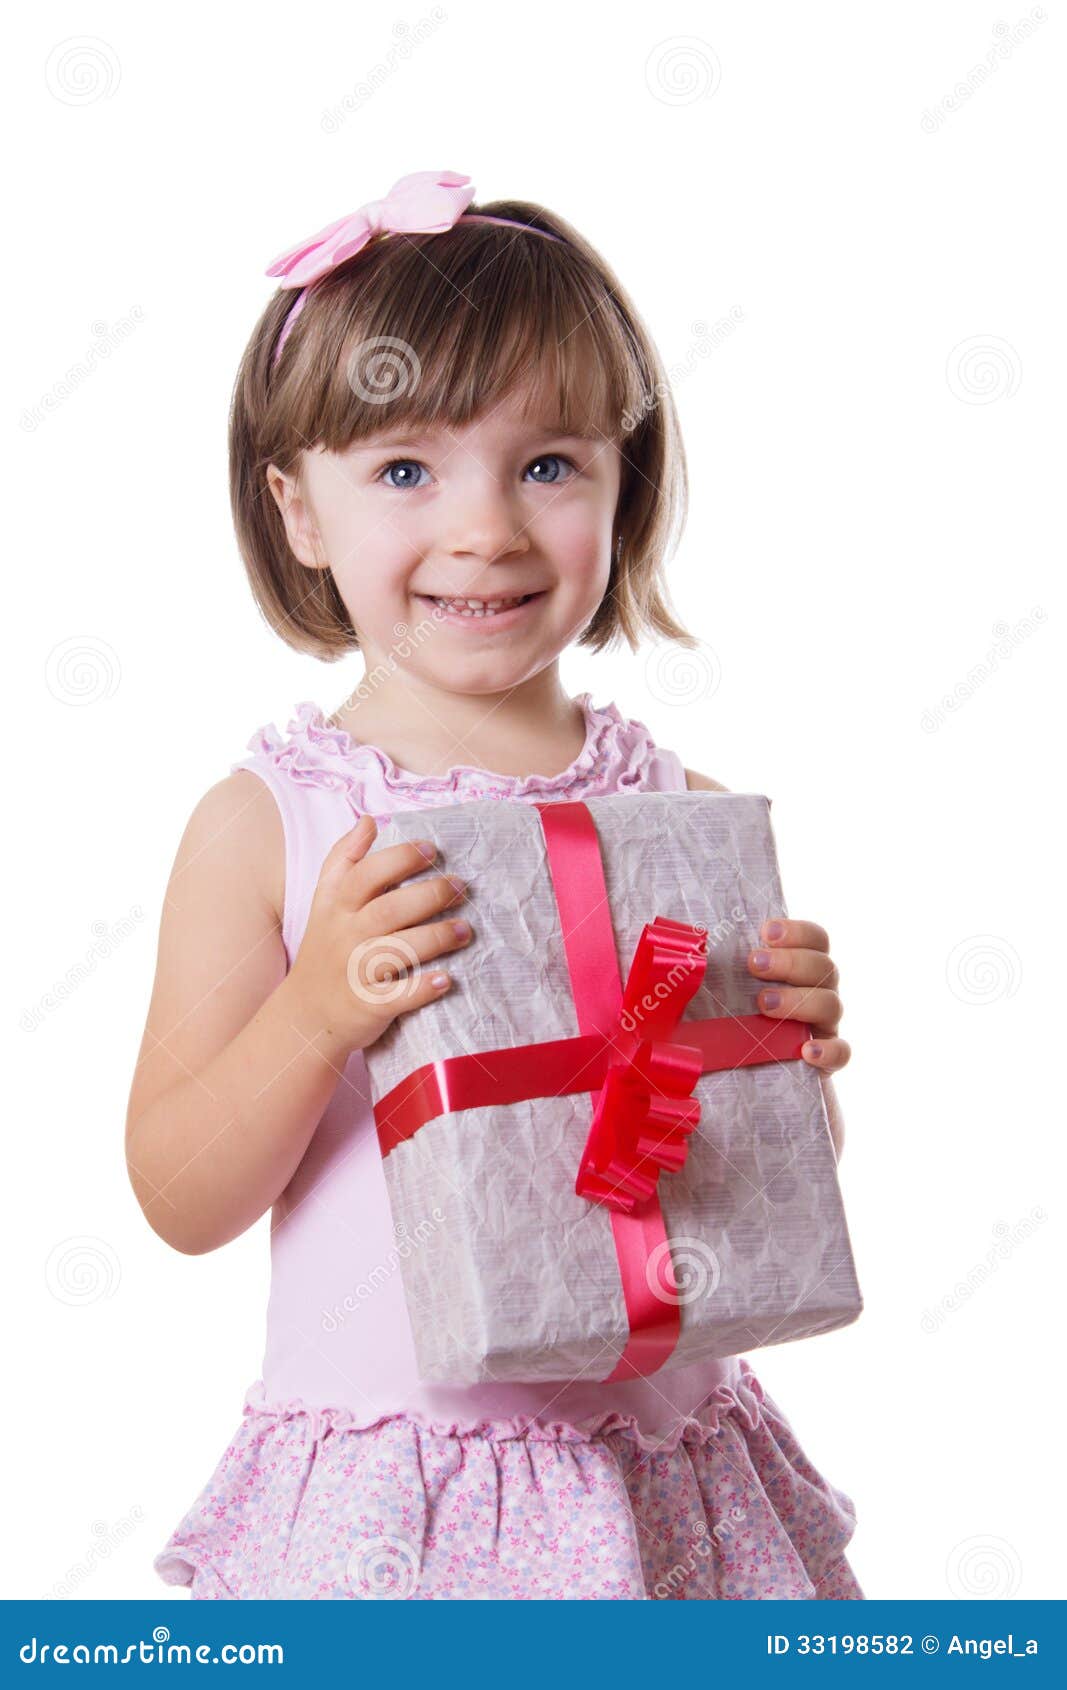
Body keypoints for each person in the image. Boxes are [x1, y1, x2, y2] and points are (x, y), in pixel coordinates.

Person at [127, 170, 860, 1600]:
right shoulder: (272, 822)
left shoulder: (681, 812)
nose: (488, 529)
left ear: (620, 481)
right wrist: (316, 1013)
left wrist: (789, 1050)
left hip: (665, 1479)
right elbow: (179, 1191)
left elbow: (768, 1184)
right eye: (406, 470)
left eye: (548, 464)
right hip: (396, 1502)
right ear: (300, 512)